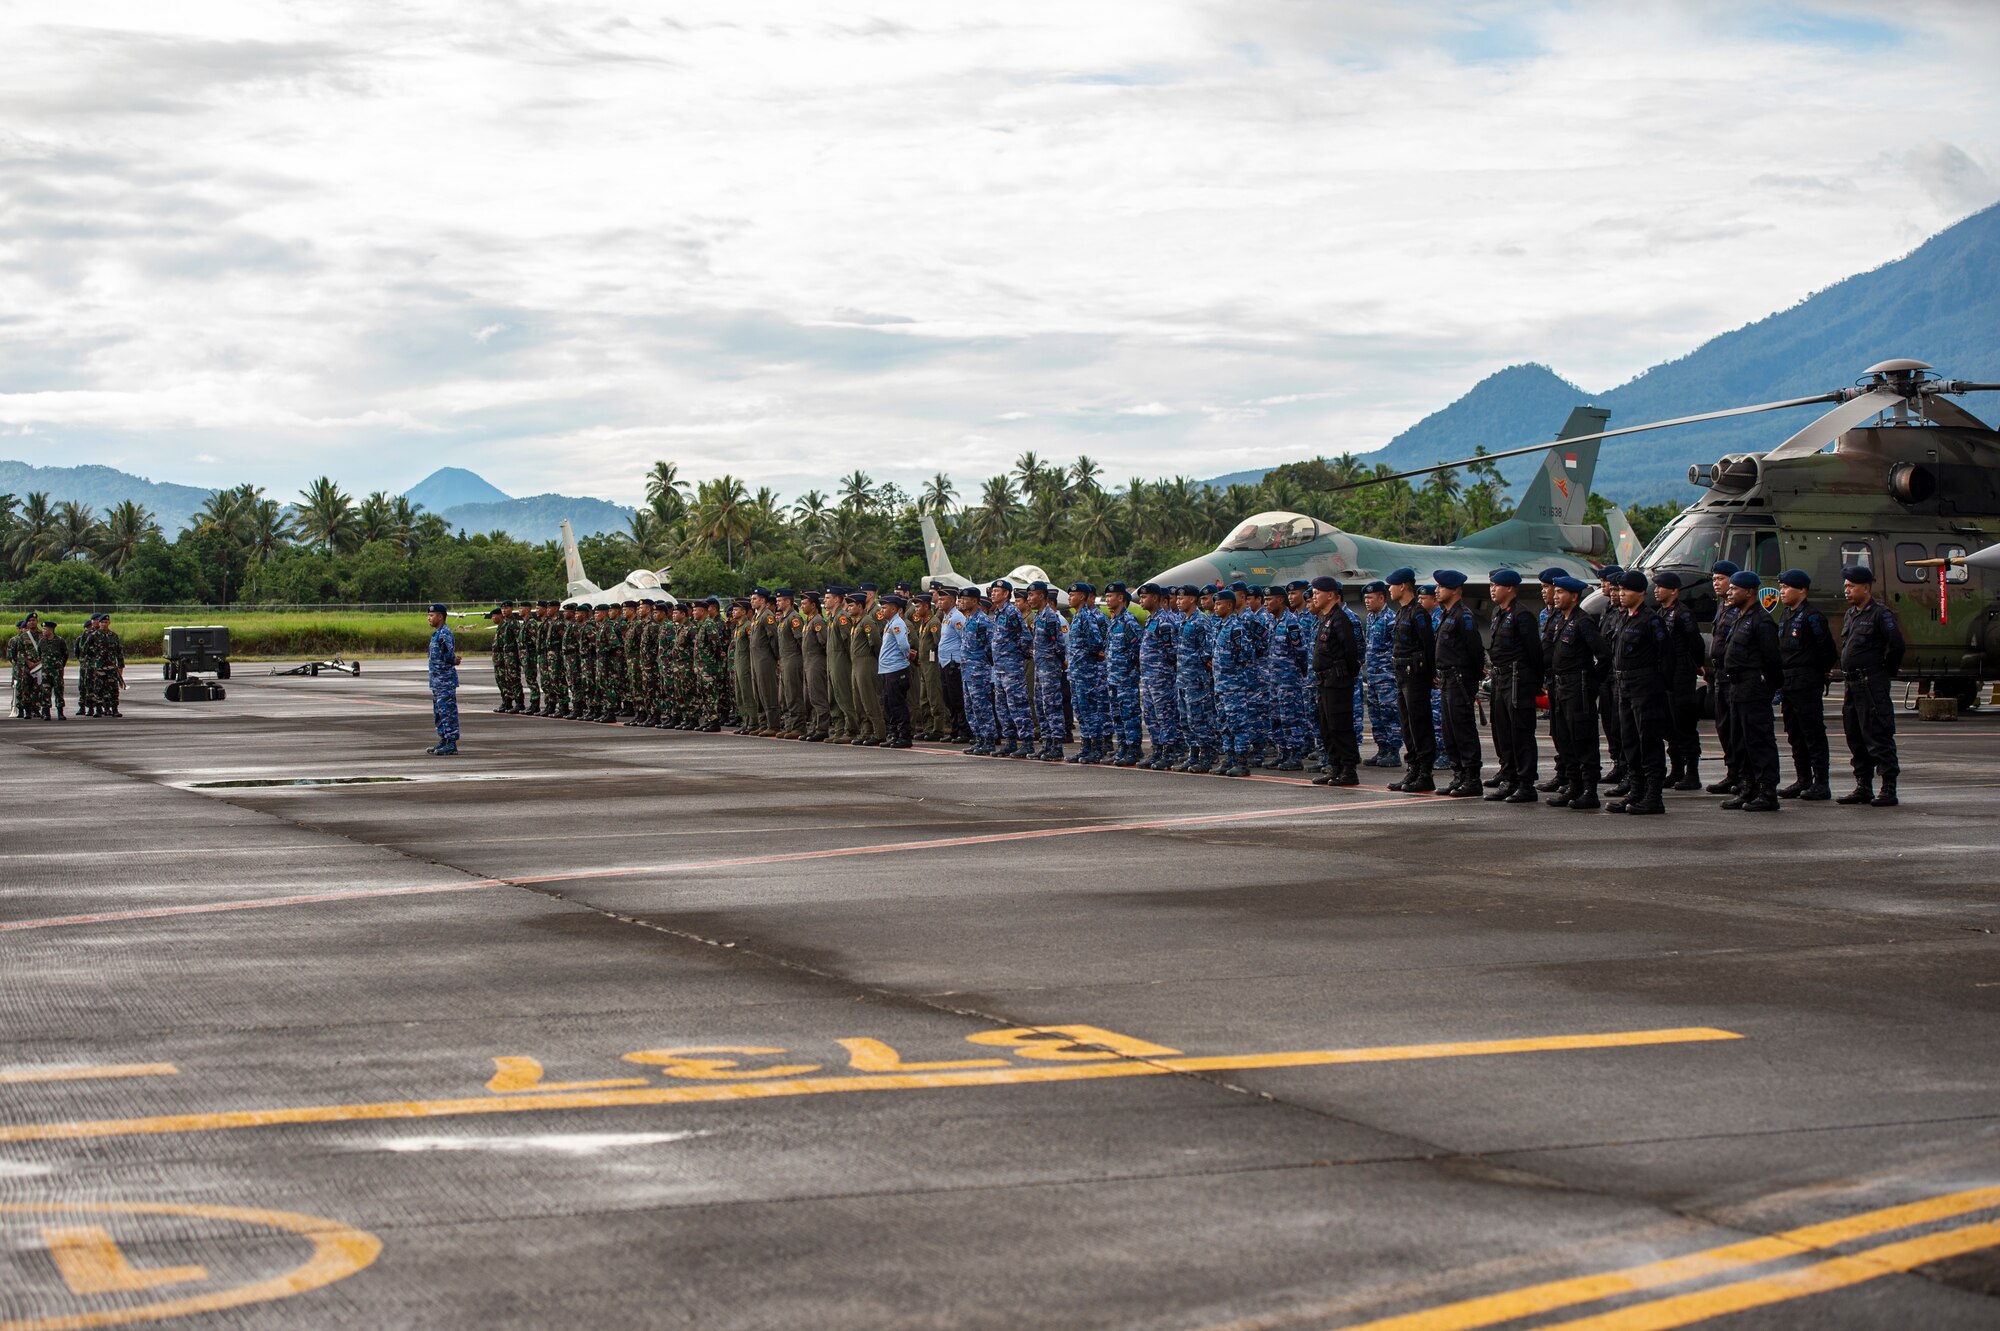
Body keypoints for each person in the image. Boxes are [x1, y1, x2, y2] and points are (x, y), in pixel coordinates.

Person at [1837, 564, 1905, 807]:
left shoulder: (1880, 614)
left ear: (1866, 588)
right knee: (1855, 735)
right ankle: (1863, 786)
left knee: (1877, 734)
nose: (1847, 590)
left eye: (1851, 586)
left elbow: (1896, 645)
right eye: (1845, 586)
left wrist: (1884, 672)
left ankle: (1888, 787)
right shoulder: (1851, 615)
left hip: (1870, 684)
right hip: (1852, 684)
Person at [1719, 570, 1785, 812]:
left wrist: (1769, 686)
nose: (1730, 592)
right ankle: (1748, 788)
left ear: (1749, 592)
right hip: (1736, 688)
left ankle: (1767, 791)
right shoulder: (1740, 617)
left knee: (1758, 740)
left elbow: (1772, 659)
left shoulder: (1761, 620)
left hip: (1753, 689)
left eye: (1735, 589)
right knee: (1740, 742)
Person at [1607, 570, 1669, 814]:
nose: (1621, 594)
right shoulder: (1624, 618)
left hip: (1645, 688)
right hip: (1624, 687)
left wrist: (1656, 688)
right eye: (1620, 590)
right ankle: (1636, 791)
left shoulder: (1651, 620)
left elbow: (1666, 658)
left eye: (1627, 590)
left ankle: (1653, 796)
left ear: (1641, 592)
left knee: (1649, 741)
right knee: (1629, 741)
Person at [1545, 576, 1608, 809]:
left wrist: (1590, 684)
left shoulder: (1583, 622)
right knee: (1565, 738)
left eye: (1561, 592)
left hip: (1578, 687)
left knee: (1583, 739)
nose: (1556, 595)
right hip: (1561, 687)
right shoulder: (1562, 621)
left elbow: (1603, 656)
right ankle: (1574, 786)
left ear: (1573, 596)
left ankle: (1590, 790)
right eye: (1556, 591)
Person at [1775, 569, 1837, 800]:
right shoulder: (1786, 615)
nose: (1782, 591)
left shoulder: (1812, 616)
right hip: (1788, 683)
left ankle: (1821, 782)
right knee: (1795, 733)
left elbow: (1827, 651)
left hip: (1806, 682)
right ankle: (1803, 780)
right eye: (1781, 587)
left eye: (1786, 587)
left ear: (1801, 589)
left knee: (1812, 733)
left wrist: (1815, 673)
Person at [1483, 569, 1543, 803]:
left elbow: (1534, 652)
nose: (1492, 590)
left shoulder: (1522, 615)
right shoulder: (1499, 613)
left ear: (1509, 588)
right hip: (1501, 679)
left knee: (1521, 733)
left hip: (1518, 680)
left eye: (1496, 586)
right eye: (1491, 586)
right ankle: (1509, 778)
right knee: (1503, 732)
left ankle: (1526, 783)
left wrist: (1535, 683)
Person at [1384, 568, 1437, 793]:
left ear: (1403, 586)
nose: (1389, 589)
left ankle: (1425, 773)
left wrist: (1431, 674)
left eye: (1392, 585)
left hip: (1416, 676)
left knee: (1419, 725)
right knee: (1407, 725)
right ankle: (1413, 769)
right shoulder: (1402, 612)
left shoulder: (1418, 613)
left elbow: (1428, 646)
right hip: (1402, 676)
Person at [1432, 571, 1484, 796]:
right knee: (1449, 730)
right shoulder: (1447, 614)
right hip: (1446, 680)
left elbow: (1475, 652)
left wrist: (1470, 681)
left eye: (1441, 587)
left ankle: (1472, 779)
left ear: (1454, 590)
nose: (1437, 590)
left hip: (1459, 680)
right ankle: (1459, 775)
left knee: (1463, 729)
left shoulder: (1464, 616)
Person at [1653, 572, 1706, 790]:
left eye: (1660, 587)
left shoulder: (1682, 614)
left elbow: (1696, 642)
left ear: (1674, 590)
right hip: (1666, 672)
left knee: (1684, 722)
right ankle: (1677, 769)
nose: (1656, 590)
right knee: (1669, 724)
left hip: (1681, 672)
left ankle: (1692, 773)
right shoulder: (1661, 612)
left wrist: (1695, 664)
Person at [1308, 576, 1362, 786]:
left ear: (1331, 595)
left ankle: (1348, 770)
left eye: (1317, 593)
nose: (1314, 597)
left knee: (1341, 726)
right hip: (1325, 683)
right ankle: (1335, 767)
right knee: (1327, 726)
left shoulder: (1340, 619)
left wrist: (1344, 676)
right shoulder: (1325, 618)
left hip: (1337, 683)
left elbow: (1351, 652)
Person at [1705, 560, 1745, 794]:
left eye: (1721, 579)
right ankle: (1732, 772)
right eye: (1714, 580)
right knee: (1723, 726)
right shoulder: (1722, 607)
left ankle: (1742, 775)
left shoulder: (1740, 608)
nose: (1717, 584)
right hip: (1719, 674)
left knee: (1737, 728)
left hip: (1734, 677)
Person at [1209, 588, 1254, 776]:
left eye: (1219, 604)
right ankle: (1229, 758)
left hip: (1233, 685)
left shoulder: (1235, 628)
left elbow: (1246, 654)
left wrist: (1233, 671)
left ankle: (1242, 762)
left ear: (1229, 605)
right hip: (1220, 685)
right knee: (1224, 724)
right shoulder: (1220, 626)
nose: (1215, 607)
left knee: (1237, 724)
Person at [1064, 582, 1110, 764]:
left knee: (1091, 711)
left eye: (1072, 595)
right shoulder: (1077, 617)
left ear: (1082, 597)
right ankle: (1086, 747)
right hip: (1076, 672)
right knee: (1081, 712)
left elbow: (1097, 642)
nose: (1069, 598)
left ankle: (1096, 748)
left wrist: (1086, 656)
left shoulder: (1086, 617)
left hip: (1086, 672)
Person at [1136, 583, 1181, 770]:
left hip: (1161, 677)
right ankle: (1157, 750)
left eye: (1144, 597)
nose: (1141, 601)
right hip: (1149, 677)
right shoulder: (1151, 619)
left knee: (1165, 715)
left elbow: (1172, 652)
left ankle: (1169, 752)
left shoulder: (1165, 621)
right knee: (1151, 715)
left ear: (1155, 598)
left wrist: (1164, 670)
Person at [1173, 585, 1216, 772]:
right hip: (1183, 678)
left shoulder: (1201, 621)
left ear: (1192, 599)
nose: (1178, 601)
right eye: (1177, 598)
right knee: (1185, 720)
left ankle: (1207, 755)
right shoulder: (1184, 621)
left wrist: (1200, 663)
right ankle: (1194, 754)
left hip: (1196, 678)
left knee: (1199, 719)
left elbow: (1208, 649)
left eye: (1182, 599)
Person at [1360, 581, 1402, 768]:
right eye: (1365, 598)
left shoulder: (1390, 619)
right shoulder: (1371, 618)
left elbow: (1396, 648)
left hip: (1386, 677)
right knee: (1376, 715)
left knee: (1389, 714)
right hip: (1374, 677)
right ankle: (1382, 749)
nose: (1367, 601)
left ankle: (1393, 751)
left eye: (1370, 597)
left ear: (1382, 598)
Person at [1103, 582, 1144, 767]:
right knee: (1117, 715)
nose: (1107, 600)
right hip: (1113, 677)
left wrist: (1129, 671)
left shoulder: (1129, 622)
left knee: (1129, 715)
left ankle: (1133, 749)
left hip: (1126, 678)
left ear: (1121, 598)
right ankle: (1122, 748)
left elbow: (1137, 650)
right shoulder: (1114, 622)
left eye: (1110, 596)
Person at [989, 580, 1032, 757]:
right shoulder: (998, 613)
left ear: (1006, 594)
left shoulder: (1012, 611)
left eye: (997, 591)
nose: (993, 594)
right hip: (999, 668)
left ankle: (1027, 743)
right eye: (992, 591)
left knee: (1017, 705)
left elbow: (1025, 637)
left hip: (1011, 667)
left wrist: (1016, 656)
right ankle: (1011, 742)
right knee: (1002, 707)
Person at [959, 587, 998, 755]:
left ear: (975, 601)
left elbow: (991, 647)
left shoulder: (983, 621)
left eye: (965, 599)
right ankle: (979, 738)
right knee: (971, 707)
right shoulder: (969, 620)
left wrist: (983, 665)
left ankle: (989, 740)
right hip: (967, 671)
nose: (961, 601)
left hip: (978, 671)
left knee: (982, 706)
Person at [877, 593, 915, 748]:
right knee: (889, 703)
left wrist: (906, 656)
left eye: (885, 608)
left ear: (893, 609)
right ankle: (894, 734)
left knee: (898, 704)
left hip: (896, 669)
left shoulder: (897, 623)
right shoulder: (890, 623)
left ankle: (904, 736)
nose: (882, 611)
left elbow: (904, 645)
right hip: (888, 669)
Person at [425, 603, 461, 755]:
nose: (429, 618)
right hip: (437, 681)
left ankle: (451, 742)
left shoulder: (444, 633)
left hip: (445, 681)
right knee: (439, 712)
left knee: (448, 712)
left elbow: (448, 655)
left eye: (432, 615)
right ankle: (444, 739)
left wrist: (454, 660)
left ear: (440, 616)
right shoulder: (437, 634)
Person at [936, 586, 970, 742]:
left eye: (943, 599)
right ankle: (955, 729)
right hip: (945, 663)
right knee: (948, 698)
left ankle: (964, 731)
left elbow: (965, 639)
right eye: (939, 599)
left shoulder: (957, 617)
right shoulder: (947, 616)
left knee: (957, 698)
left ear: (951, 600)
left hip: (953, 663)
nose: (939, 601)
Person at [39, 619, 69, 720]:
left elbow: (65, 655)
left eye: (45, 629)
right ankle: (46, 712)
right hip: (46, 671)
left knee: (59, 691)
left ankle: (60, 712)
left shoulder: (60, 641)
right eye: (42, 629)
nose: (43, 631)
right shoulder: (42, 641)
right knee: (45, 692)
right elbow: (40, 655)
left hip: (57, 671)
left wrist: (60, 666)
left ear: (51, 630)